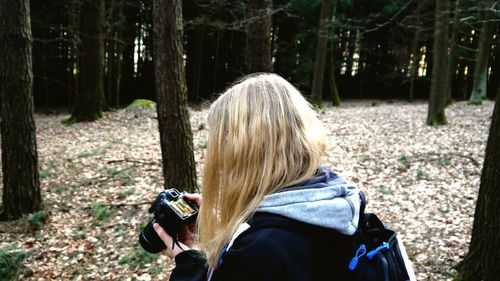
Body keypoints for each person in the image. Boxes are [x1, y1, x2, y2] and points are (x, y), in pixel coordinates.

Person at [153, 73, 362, 280]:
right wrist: (226, 226)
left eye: (218, 142)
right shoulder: (334, 202)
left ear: (241, 151)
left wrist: (189, 267)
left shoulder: (264, 249)